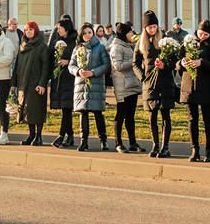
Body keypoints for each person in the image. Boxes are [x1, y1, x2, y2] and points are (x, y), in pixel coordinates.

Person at [179, 19, 210, 162]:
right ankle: (194, 149)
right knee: (192, 119)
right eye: (200, 33)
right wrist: (182, 63)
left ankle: (209, 150)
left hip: (206, 86)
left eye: (205, 35)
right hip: (190, 85)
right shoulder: (189, 41)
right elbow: (179, 61)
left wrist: (201, 63)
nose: (202, 36)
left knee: (207, 118)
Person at [135, 11, 175, 158]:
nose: (152, 29)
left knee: (165, 115)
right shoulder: (141, 42)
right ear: (145, 28)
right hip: (149, 84)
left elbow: (174, 61)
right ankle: (155, 145)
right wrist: (143, 77)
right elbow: (135, 63)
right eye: (149, 27)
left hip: (164, 82)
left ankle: (165, 146)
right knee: (152, 116)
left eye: (154, 26)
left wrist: (165, 65)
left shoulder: (165, 40)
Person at [70, 22, 111, 151]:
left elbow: (106, 65)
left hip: (96, 85)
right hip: (81, 85)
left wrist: (93, 72)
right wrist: (78, 71)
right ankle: (84, 140)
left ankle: (103, 140)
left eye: (90, 32)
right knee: (83, 113)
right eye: (85, 33)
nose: (87, 35)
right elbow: (71, 65)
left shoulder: (100, 47)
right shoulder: (77, 48)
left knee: (98, 113)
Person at [107, 22, 143, 153]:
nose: (132, 34)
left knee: (131, 116)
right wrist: (134, 61)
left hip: (132, 84)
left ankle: (133, 142)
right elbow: (118, 66)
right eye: (130, 32)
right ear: (124, 34)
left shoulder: (129, 46)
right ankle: (118, 143)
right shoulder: (117, 47)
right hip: (122, 87)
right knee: (120, 114)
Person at [14, 21, 50, 146]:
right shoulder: (23, 45)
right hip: (23, 83)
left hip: (36, 84)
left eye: (30, 29)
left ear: (36, 30)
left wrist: (42, 83)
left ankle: (39, 136)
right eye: (26, 29)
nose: (28, 32)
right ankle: (31, 135)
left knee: (37, 110)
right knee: (27, 110)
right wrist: (14, 83)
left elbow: (46, 67)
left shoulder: (42, 46)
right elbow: (17, 65)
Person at [49, 17, 77, 148]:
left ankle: (61, 136)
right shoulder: (58, 41)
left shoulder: (74, 41)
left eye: (60, 28)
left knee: (67, 108)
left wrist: (68, 61)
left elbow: (77, 57)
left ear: (66, 29)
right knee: (65, 109)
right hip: (60, 78)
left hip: (70, 79)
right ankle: (70, 136)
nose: (57, 30)